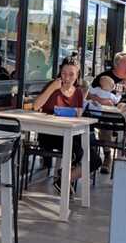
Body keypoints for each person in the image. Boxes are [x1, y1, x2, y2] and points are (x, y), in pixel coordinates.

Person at [33, 58, 100, 192]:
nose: (67, 78)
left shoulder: (78, 93)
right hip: (50, 134)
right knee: (77, 152)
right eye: (64, 73)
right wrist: (52, 88)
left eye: (71, 74)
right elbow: (36, 106)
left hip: (70, 133)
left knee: (95, 160)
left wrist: (74, 113)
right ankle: (63, 180)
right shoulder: (53, 86)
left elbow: (78, 115)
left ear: (77, 76)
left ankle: (64, 179)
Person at [92, 52, 126, 174]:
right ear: (116, 65)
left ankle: (124, 160)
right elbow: (89, 93)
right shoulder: (104, 77)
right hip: (108, 114)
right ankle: (107, 156)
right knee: (104, 123)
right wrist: (100, 100)